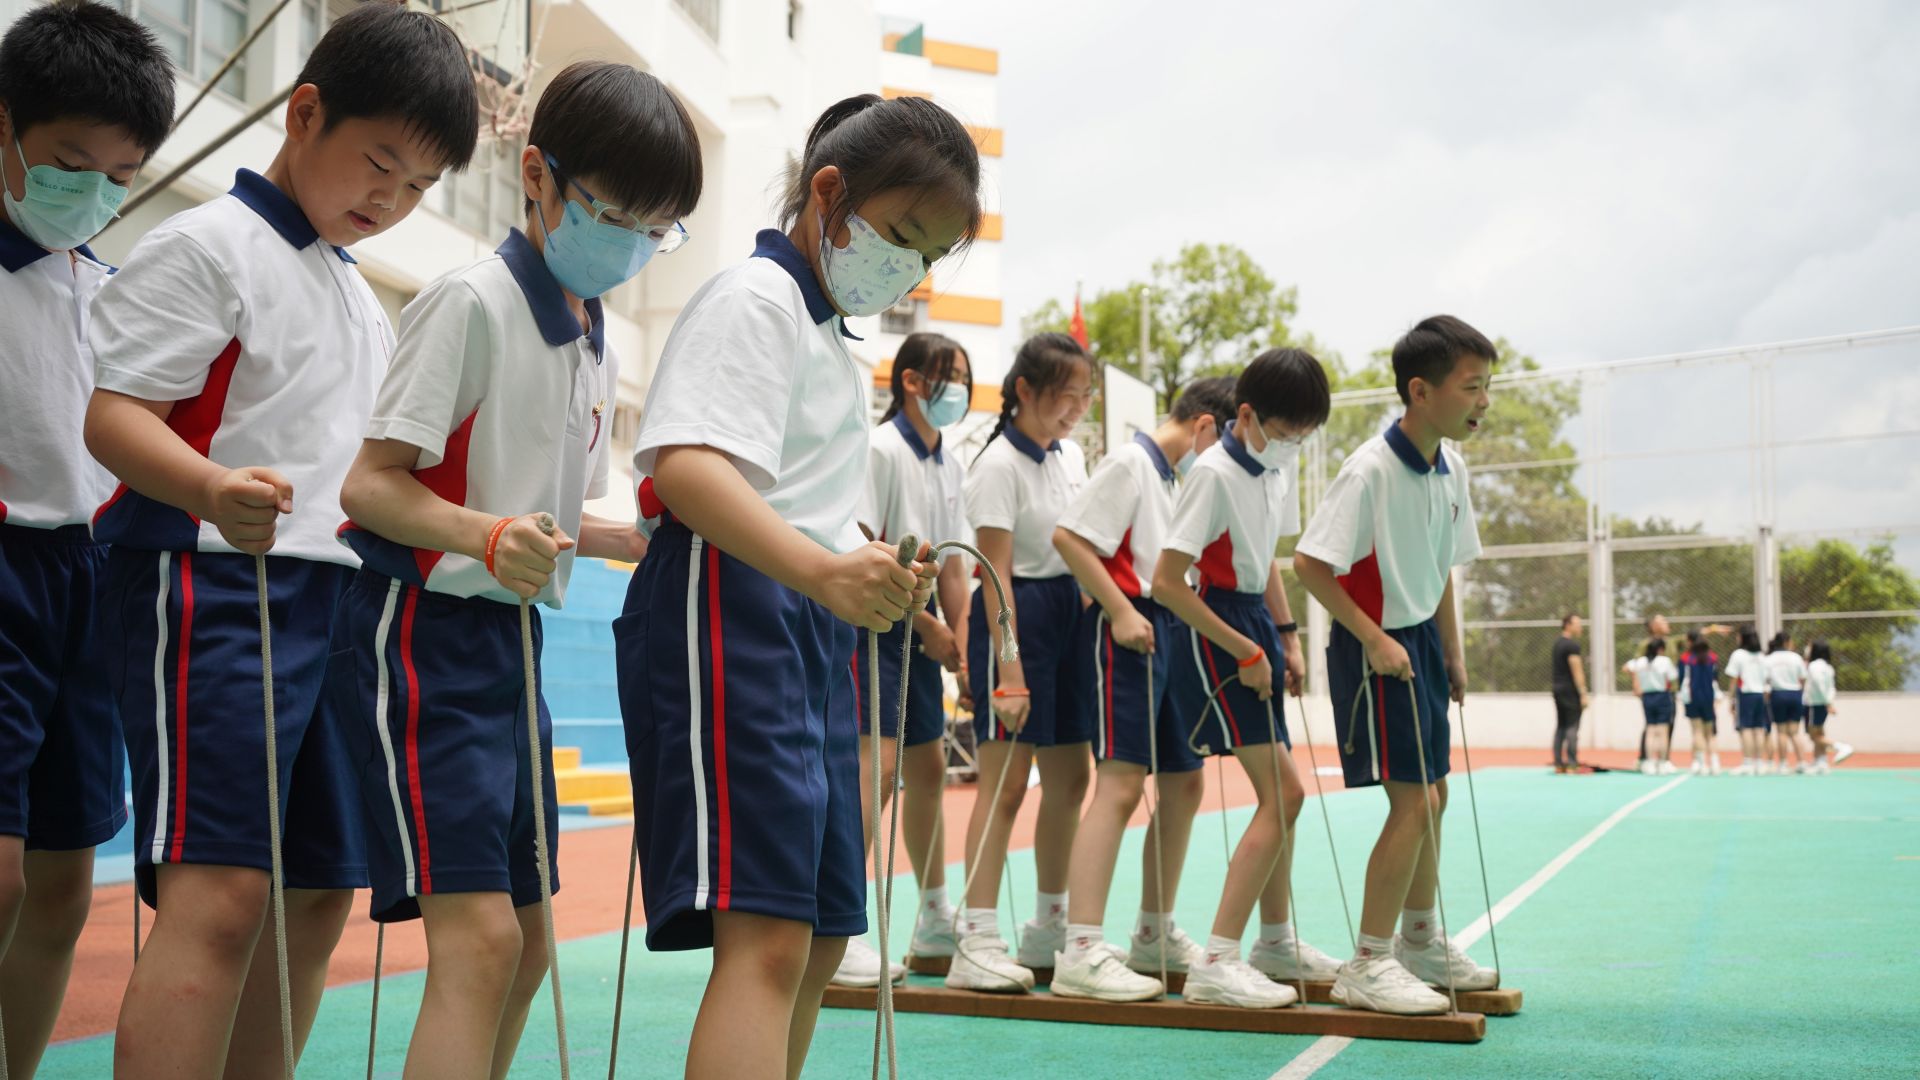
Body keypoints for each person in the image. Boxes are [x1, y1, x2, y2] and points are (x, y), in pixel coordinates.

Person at [82, 5, 477, 1074]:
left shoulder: (359, 296)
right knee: (218, 898)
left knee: (314, 895)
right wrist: (210, 487)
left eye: (418, 188)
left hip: (334, 611)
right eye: (378, 166)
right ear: (305, 112)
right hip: (209, 590)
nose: (388, 202)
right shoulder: (206, 245)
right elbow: (112, 417)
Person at [331, 61, 697, 1077]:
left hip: (511, 645)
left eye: (652, 227)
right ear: (535, 176)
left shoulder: (594, 339)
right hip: (421, 637)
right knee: (483, 941)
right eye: (611, 213)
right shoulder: (468, 302)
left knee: (531, 944)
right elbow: (369, 487)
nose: (627, 244)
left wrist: (618, 538)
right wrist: (486, 537)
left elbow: (532, 501)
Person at [612, 92, 974, 1078]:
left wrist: (860, 561)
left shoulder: (827, 335)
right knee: (768, 938)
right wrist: (821, 565)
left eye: (930, 256)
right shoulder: (755, 301)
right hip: (729, 616)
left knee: (816, 938)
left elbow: (806, 498)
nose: (909, 270)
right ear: (829, 194)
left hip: (809, 631)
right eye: (902, 237)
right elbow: (685, 469)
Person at [0, 3, 172, 1073]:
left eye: (117, 175)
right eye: (69, 162)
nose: (93, 191)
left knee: (65, 878)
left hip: (90, 577)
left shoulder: (110, 292)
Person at [1294, 315, 1499, 1015]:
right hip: (1375, 650)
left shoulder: (1451, 465)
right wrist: (1377, 639)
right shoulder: (1369, 470)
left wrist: (1453, 649)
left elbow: (1442, 567)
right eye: (1472, 387)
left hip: (1421, 650)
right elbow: (1312, 566)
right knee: (1412, 801)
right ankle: (1368, 962)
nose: (1483, 401)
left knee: (1433, 796)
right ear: (1420, 390)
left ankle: (1418, 939)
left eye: (1487, 386)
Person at [1152, 350, 1342, 1009]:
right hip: (1212, 634)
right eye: (1287, 430)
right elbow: (1166, 586)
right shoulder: (1212, 476)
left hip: (1255, 627)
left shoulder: (1276, 468)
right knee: (1285, 795)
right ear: (1246, 415)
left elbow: (1265, 564)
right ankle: (1218, 960)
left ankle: (1272, 940)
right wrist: (1244, 649)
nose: (1295, 443)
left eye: (1304, 433)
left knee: (1283, 795)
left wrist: (1285, 639)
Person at [1046, 375, 1234, 1002]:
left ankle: (1154, 930)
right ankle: (1079, 949)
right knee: (1122, 783)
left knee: (1186, 781)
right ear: (1207, 425)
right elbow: (1070, 537)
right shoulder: (1131, 461)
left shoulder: (1179, 475)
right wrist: (1122, 614)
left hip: (1171, 630)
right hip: (1128, 626)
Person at [946, 331, 1096, 992]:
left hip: (1071, 617)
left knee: (1071, 779)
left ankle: (1048, 928)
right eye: (1066, 396)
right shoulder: (997, 465)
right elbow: (996, 575)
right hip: (1017, 618)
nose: (1076, 409)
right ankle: (974, 936)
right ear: (1026, 392)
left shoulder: (1072, 457)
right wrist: (1009, 668)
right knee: (1006, 785)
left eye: (1085, 398)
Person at [835, 330, 974, 987]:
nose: (961, 393)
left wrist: (964, 642)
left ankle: (936, 915)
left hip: (919, 634)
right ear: (913, 382)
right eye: (950, 378)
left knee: (928, 764)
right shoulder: (881, 448)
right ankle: (839, 924)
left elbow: (951, 565)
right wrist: (925, 625)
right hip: (873, 624)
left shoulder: (951, 461)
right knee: (877, 766)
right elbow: (863, 541)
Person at [1623, 640, 1679, 775]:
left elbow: (1626, 667)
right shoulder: (1664, 661)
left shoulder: (1640, 662)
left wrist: (1636, 679)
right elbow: (1673, 676)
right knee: (1663, 731)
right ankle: (1662, 762)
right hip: (1662, 695)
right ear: (1660, 649)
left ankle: (1648, 762)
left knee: (1650, 729)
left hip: (1647, 697)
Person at [1724, 628, 1770, 775]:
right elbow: (1767, 678)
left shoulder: (1738, 655)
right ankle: (1759, 763)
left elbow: (1733, 679)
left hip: (1746, 695)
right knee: (1759, 729)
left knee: (1746, 729)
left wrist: (1730, 699)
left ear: (1742, 638)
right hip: (1760, 694)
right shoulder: (1762, 656)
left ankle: (1748, 763)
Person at [1764, 632, 1810, 774]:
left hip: (1778, 694)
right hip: (1795, 693)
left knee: (1782, 732)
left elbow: (1766, 679)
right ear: (1786, 642)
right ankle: (1802, 762)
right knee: (1795, 732)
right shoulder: (1796, 658)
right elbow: (1803, 678)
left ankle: (1783, 764)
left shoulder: (1769, 659)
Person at [1678, 634, 1723, 775]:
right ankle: (1715, 764)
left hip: (1693, 698)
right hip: (1708, 698)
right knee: (1710, 733)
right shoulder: (1713, 658)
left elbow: (1681, 678)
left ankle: (1701, 763)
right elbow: (1716, 678)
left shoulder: (1686, 659)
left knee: (1697, 731)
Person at [1549, 613, 1588, 773]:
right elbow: (1577, 671)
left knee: (1561, 726)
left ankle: (1559, 763)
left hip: (1557, 688)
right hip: (1569, 690)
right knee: (1572, 726)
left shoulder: (1557, 644)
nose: (1580, 627)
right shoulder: (1572, 646)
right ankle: (1572, 762)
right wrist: (1583, 693)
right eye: (1577, 624)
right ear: (1567, 625)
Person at [1804, 640, 1837, 773]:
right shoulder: (1829, 667)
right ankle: (1820, 761)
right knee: (1819, 731)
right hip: (1823, 703)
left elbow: (1818, 684)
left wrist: (1827, 702)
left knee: (1813, 735)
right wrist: (1829, 701)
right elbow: (1831, 687)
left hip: (1814, 703)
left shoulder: (1813, 666)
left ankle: (1837, 746)